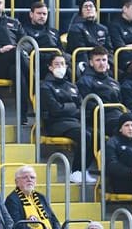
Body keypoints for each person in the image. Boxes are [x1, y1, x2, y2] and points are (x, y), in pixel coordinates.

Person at [40, 54, 95, 183]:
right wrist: (72, 107)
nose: (60, 67)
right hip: (55, 123)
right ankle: (75, 171)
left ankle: (83, 170)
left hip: (74, 122)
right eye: (57, 64)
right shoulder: (45, 86)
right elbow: (55, 109)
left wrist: (66, 107)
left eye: (63, 64)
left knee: (96, 135)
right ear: (50, 67)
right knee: (85, 136)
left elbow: (81, 108)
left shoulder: (72, 86)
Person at [76, 46, 122, 137]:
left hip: (117, 114)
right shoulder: (85, 81)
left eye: (104, 60)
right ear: (91, 63)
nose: (102, 63)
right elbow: (86, 105)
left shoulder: (114, 82)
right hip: (98, 118)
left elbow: (121, 102)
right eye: (98, 60)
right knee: (123, 126)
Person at [23, 1, 68, 78]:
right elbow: (28, 53)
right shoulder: (24, 30)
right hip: (39, 65)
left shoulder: (54, 31)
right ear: (31, 14)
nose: (42, 16)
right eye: (39, 13)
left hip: (56, 63)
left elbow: (61, 50)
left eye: (44, 14)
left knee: (69, 67)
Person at [66, 0, 113, 64]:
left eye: (91, 6)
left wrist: (109, 63)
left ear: (96, 10)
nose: (88, 8)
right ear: (81, 12)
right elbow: (81, 53)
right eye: (85, 7)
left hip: (103, 64)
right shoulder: (75, 28)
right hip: (86, 64)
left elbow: (110, 50)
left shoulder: (103, 28)